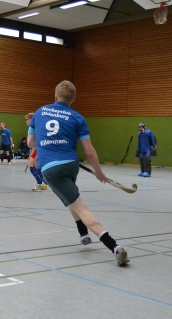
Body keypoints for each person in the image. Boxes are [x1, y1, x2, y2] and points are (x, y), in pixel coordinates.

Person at [27, 80, 129, 266]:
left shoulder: (39, 112)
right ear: (73, 100)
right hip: (71, 164)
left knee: (80, 206)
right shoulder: (78, 118)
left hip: (51, 169)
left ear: (55, 96)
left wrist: (45, 144)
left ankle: (114, 246)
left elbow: (30, 143)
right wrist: (99, 173)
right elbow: (89, 152)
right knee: (71, 198)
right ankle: (83, 234)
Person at [24, 112, 49, 192]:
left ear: (31, 119)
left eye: (27, 119)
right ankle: (44, 183)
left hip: (40, 149)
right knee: (36, 166)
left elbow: (34, 142)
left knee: (30, 164)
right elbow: (34, 142)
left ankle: (40, 183)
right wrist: (31, 154)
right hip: (38, 149)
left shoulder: (34, 127)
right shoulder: (36, 127)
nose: (25, 121)